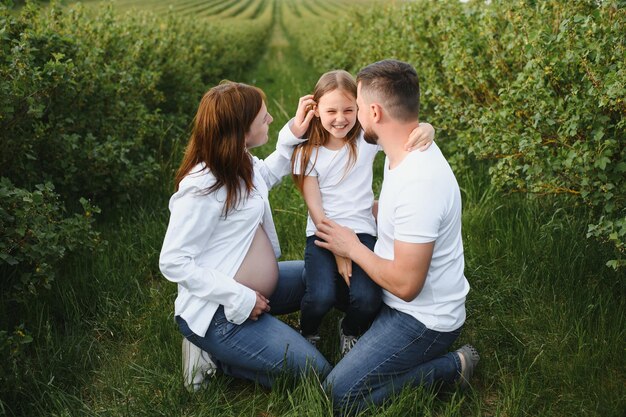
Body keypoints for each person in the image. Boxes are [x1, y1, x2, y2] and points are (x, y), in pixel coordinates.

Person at [314, 60, 479, 414]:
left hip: (420, 319)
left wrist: (353, 247)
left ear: (374, 112)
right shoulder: (402, 150)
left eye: (356, 107)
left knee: (339, 396)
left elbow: (406, 286)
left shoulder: (421, 183)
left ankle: (451, 367)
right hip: (389, 290)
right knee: (307, 274)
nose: (354, 114)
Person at [159, 81, 331, 392]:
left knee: (321, 276)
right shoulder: (201, 187)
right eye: (263, 116)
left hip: (255, 293)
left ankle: (245, 348)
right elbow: (173, 262)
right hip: (218, 315)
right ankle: (217, 356)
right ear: (241, 128)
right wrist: (241, 297)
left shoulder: (239, 161)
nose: (270, 120)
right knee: (314, 371)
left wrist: (292, 134)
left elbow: (264, 177)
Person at [283, 70, 435, 356]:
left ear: (360, 109)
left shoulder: (364, 143)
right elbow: (315, 209)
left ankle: (349, 329)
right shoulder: (308, 153)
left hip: (363, 232)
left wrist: (426, 127)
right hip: (322, 233)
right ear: (316, 111)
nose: (340, 118)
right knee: (319, 297)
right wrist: (341, 250)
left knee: (368, 299)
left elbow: (399, 131)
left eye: (348, 110)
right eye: (331, 111)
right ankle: (309, 331)